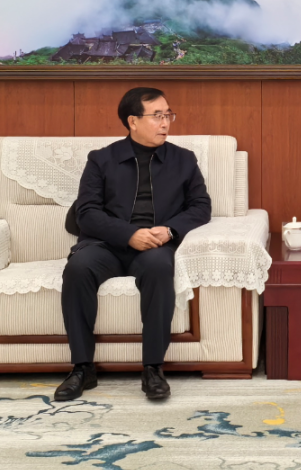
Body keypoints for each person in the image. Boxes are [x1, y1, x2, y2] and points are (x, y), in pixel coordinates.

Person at [56, 87, 211, 402]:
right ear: (133, 121)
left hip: (155, 245)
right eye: (157, 116)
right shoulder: (101, 159)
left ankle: (153, 368)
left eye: (168, 114)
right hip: (106, 244)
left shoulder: (183, 160)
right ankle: (82, 368)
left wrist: (169, 231)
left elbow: (200, 207)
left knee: (159, 268)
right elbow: (87, 213)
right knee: (78, 268)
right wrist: (128, 234)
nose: (165, 122)